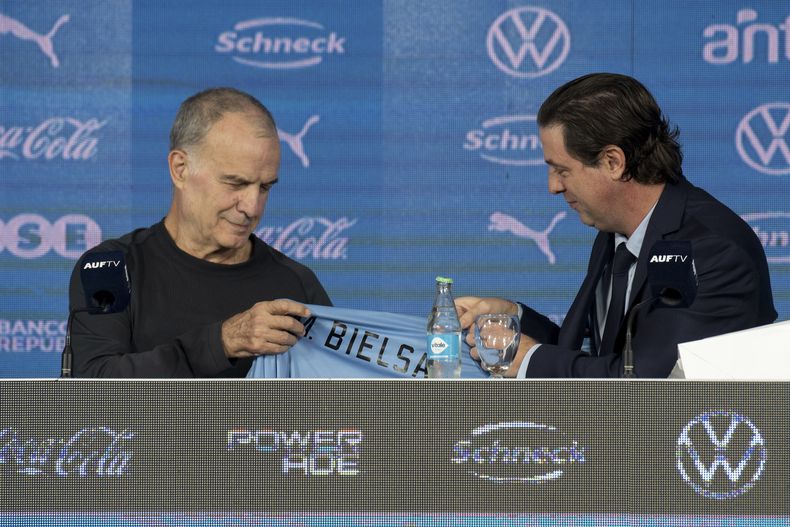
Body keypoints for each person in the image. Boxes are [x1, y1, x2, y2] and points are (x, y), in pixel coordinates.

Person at [457, 73, 776, 378]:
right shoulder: (618, 232)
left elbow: (646, 382)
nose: (552, 186)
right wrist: (516, 320)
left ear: (613, 162)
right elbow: (601, 361)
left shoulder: (708, 249)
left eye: (562, 170)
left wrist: (527, 358)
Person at [68, 87, 331, 377]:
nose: (252, 207)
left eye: (265, 187)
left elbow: (338, 407)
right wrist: (220, 344)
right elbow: (91, 387)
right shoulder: (110, 267)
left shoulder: (298, 286)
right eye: (235, 183)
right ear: (180, 169)